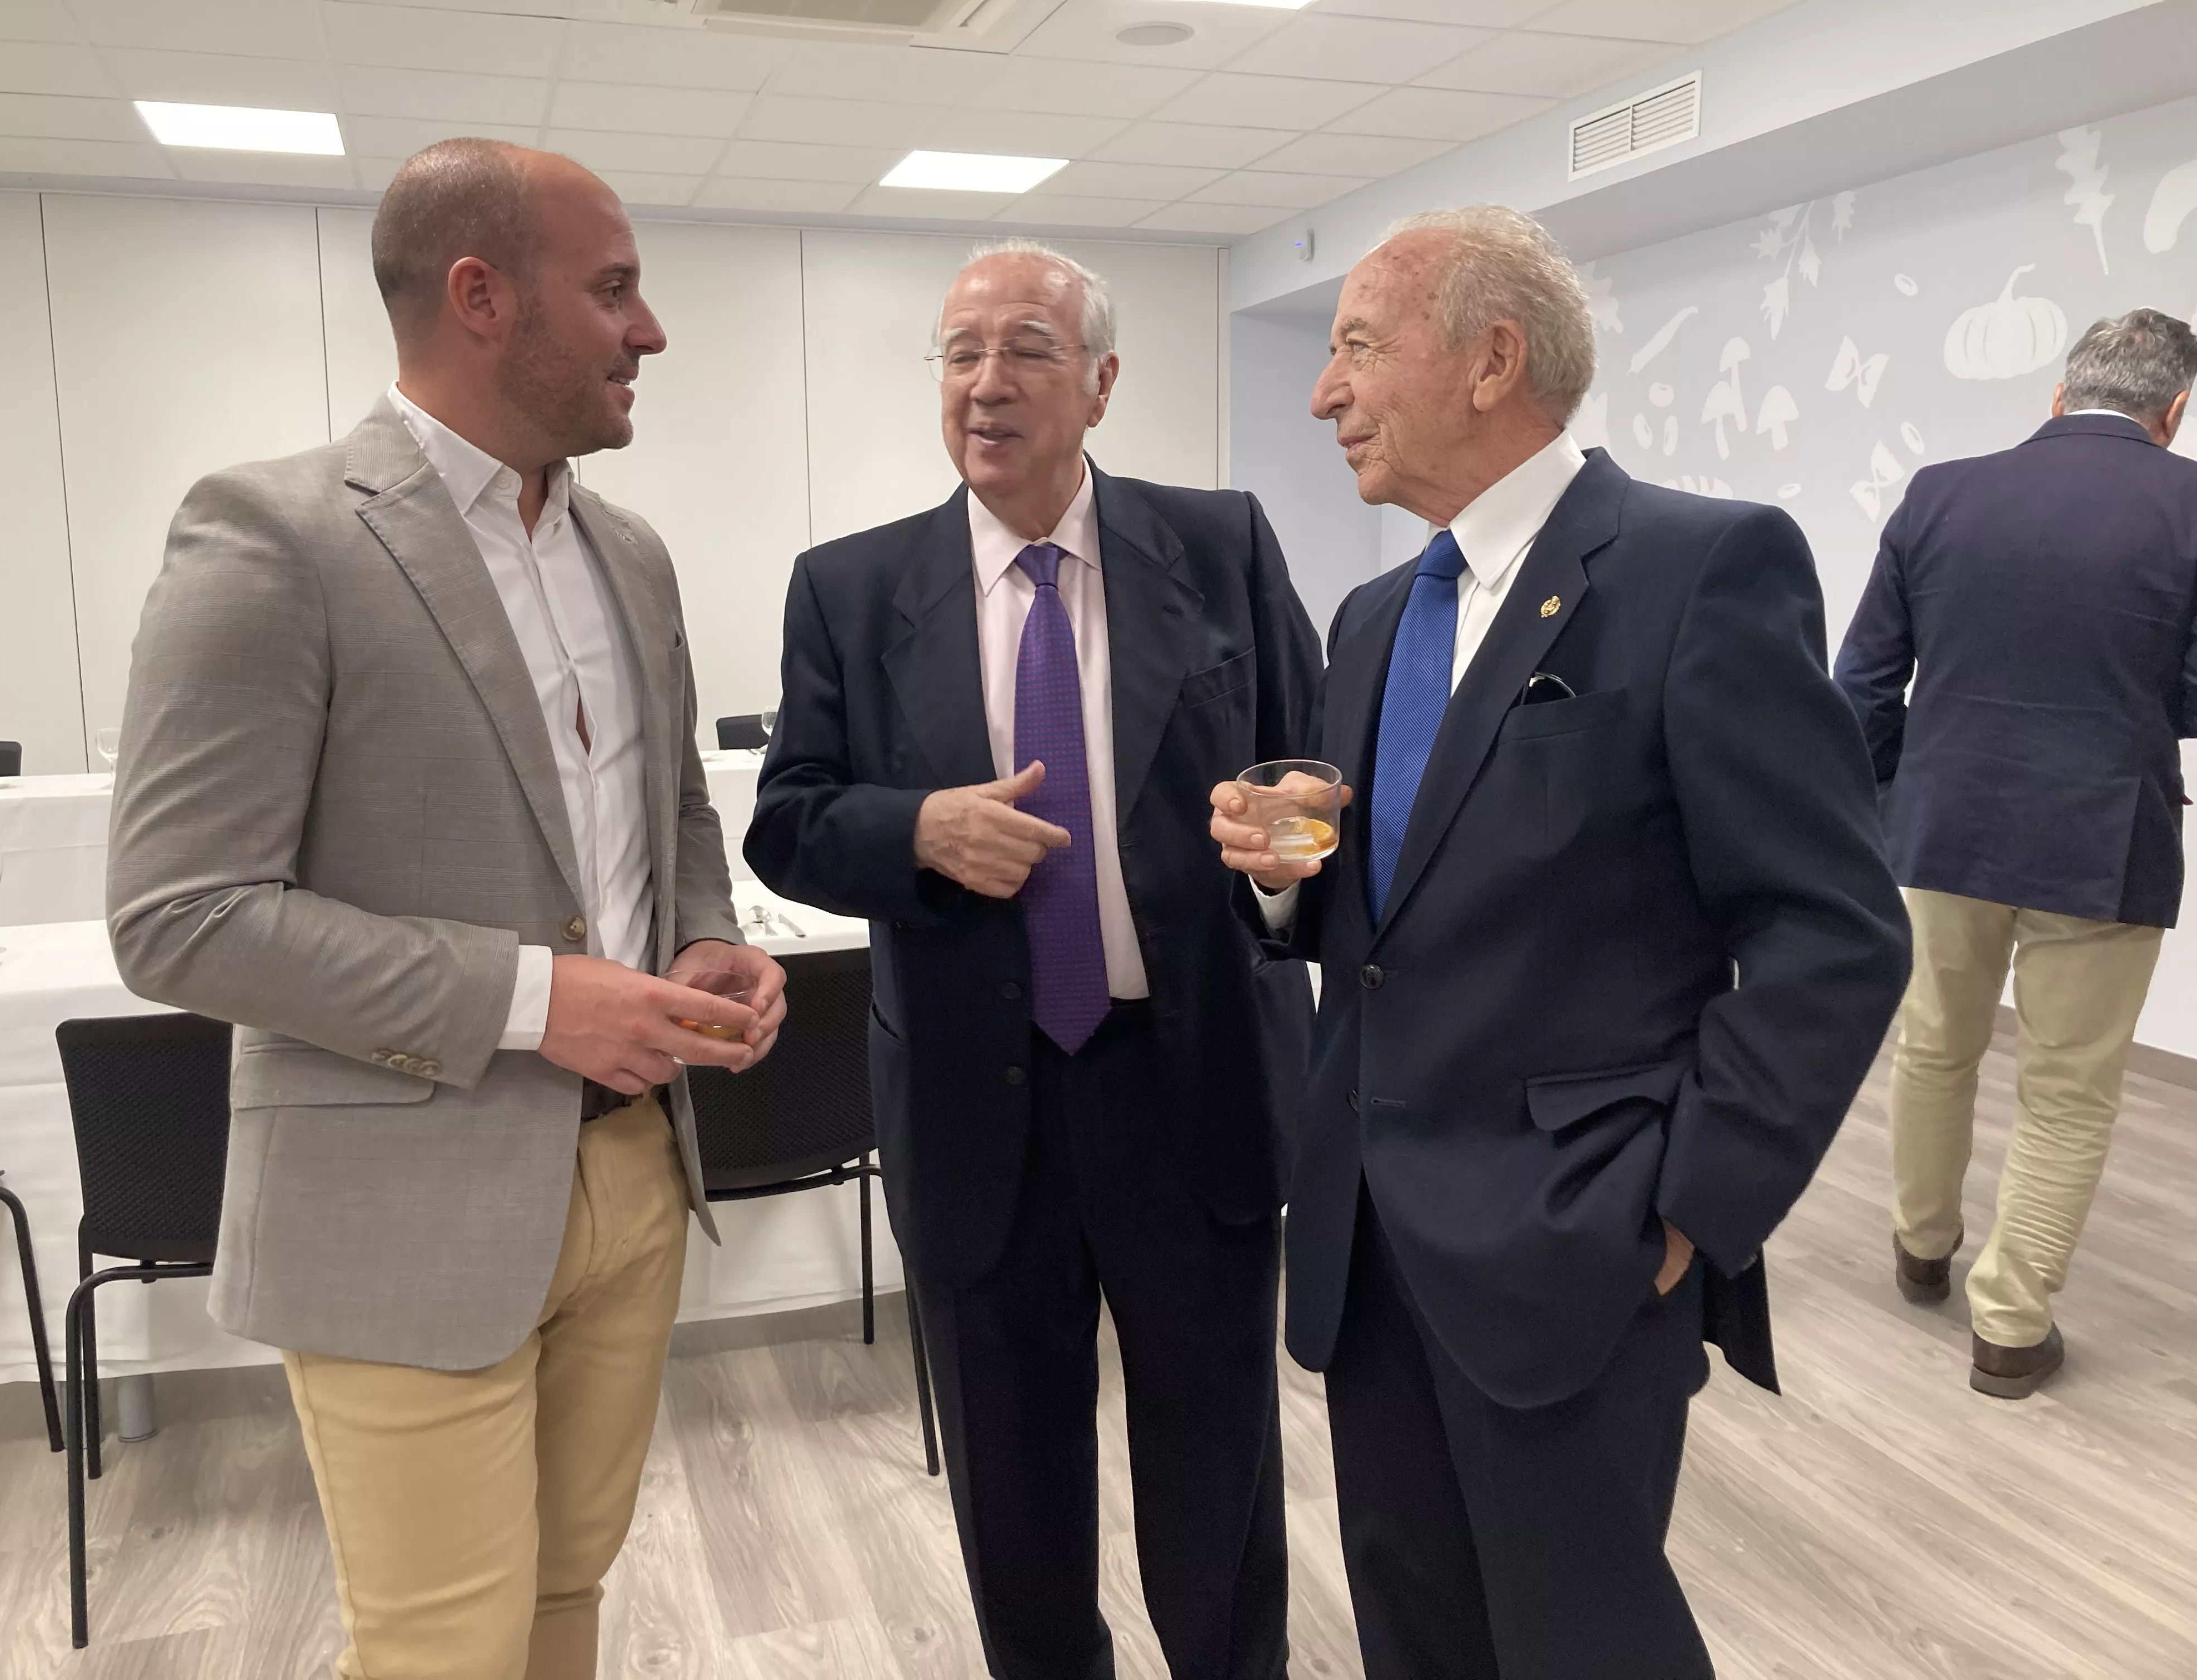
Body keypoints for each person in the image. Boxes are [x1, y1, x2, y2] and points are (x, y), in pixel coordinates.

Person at [107, 139, 787, 1680]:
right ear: (481, 297)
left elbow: (673, 813)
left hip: (632, 1182)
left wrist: (700, 941)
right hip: (398, 1199)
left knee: (565, 1603)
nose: (652, 331)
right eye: (615, 290)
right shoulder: (274, 536)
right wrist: (549, 1000)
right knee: (443, 1652)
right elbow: (181, 915)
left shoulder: (635, 554)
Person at [1209, 207, 1910, 1679]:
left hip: (1575, 1243)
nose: (1323, 392)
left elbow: (1832, 930)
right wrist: (1285, 877)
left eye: (1351, 348)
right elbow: (1377, 926)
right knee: (1416, 1628)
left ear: (1489, 362)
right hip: (1369, 1240)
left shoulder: (1700, 571)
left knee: (1585, 1639)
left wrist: (1684, 1211)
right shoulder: (1371, 615)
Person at [746, 239, 1321, 1680]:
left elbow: (1316, 777)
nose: (986, 384)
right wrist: (917, 830)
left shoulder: (1224, 546)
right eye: (960, 352)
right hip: (972, 1103)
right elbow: (787, 826)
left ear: (1104, 384)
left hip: (1188, 1088)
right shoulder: (853, 589)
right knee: (1012, 1486)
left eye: (1027, 351)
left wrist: (1292, 843)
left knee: (1219, 1467)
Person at [1835, 308, 2197, 1399]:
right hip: (2104, 834)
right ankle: (2011, 1322)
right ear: (2172, 414)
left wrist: (1895, 799)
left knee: (1935, 1048)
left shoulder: (1941, 493)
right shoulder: (2190, 506)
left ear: (2057, 395)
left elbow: (1862, 684)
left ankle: (1922, 1249)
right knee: (2069, 1088)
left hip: (1942, 830)